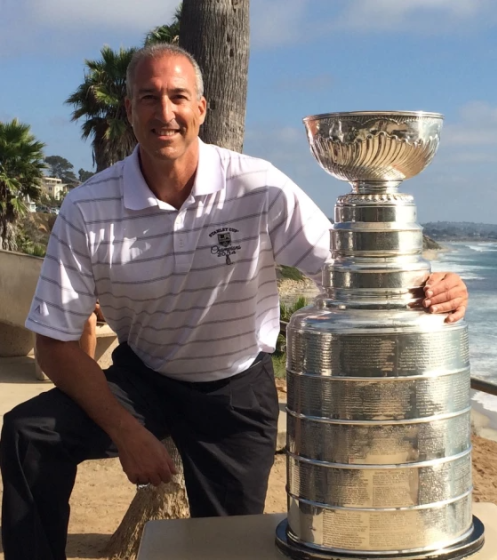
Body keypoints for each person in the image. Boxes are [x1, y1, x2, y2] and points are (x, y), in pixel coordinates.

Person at [0, 44, 469, 560]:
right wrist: (126, 432)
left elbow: (342, 274)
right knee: (29, 435)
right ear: (129, 110)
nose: (165, 112)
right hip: (143, 379)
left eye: (179, 96)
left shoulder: (258, 186)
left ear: (202, 109)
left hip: (235, 391)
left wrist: (431, 289)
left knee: (230, 547)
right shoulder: (88, 207)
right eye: (148, 97)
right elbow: (55, 346)